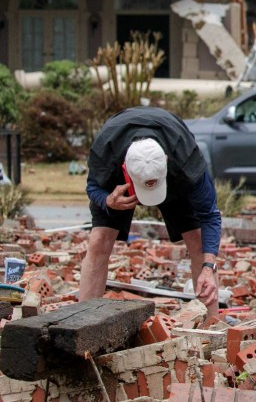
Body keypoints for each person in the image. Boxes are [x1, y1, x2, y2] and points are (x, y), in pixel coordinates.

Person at [81, 107, 222, 317]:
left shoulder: (186, 161)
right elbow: (92, 187)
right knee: (98, 240)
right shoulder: (105, 151)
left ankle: (211, 328)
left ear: (165, 161)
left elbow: (210, 215)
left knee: (198, 241)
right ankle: (82, 322)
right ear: (124, 170)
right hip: (118, 182)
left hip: (175, 177)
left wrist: (209, 267)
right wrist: (107, 200)